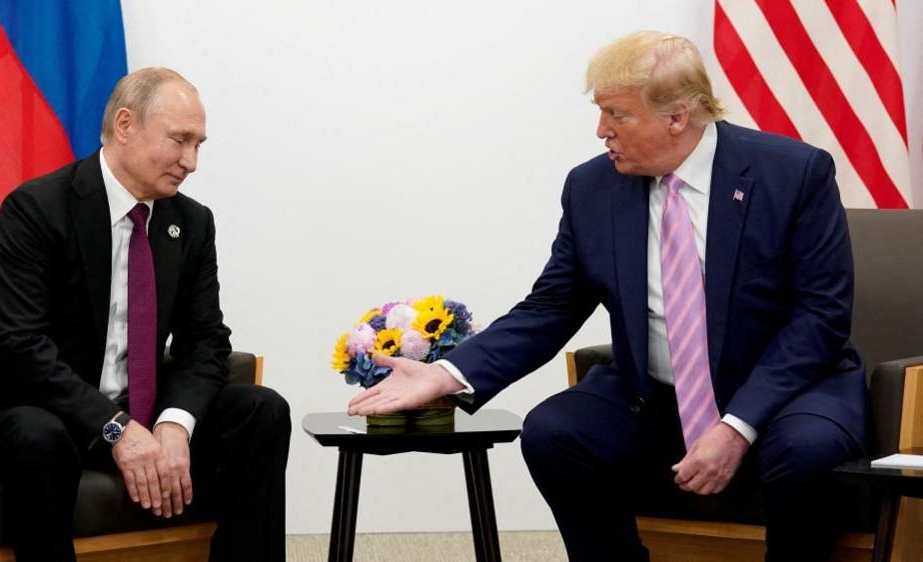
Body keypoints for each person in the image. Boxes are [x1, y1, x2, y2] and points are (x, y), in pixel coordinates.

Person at [349, 31, 866, 562]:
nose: (602, 131)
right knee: (555, 432)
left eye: (617, 115)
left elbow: (819, 318)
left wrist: (737, 426)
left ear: (676, 117)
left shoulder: (793, 173)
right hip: (657, 397)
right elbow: (551, 306)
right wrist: (447, 374)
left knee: (807, 452)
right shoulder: (592, 188)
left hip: (786, 395)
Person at [0, 67, 290, 562]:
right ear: (125, 125)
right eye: (180, 140)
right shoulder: (37, 209)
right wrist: (115, 427)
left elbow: (206, 340)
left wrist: (176, 424)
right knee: (38, 434)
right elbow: (17, 347)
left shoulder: (192, 222)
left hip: (142, 410)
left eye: (199, 145)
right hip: (43, 412)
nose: (192, 162)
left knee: (261, 411)